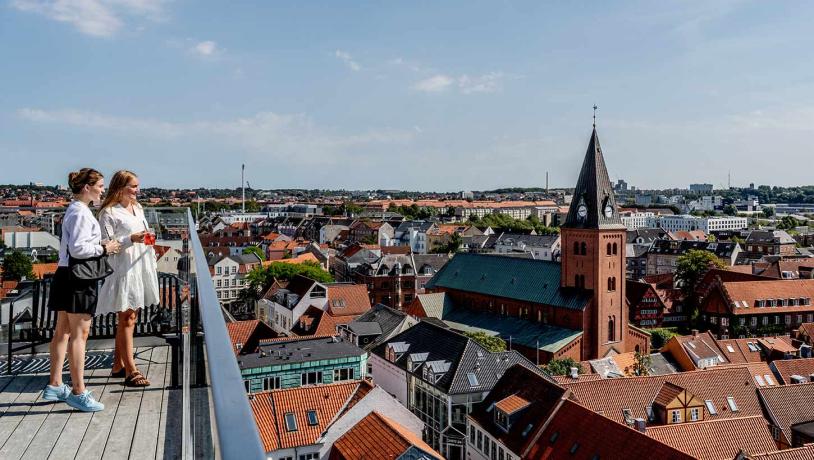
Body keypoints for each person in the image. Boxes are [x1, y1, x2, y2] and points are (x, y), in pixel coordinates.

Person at [43, 168, 121, 412]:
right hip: (79, 278)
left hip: (66, 274)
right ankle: (79, 391)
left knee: (62, 331)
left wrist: (96, 245)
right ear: (86, 187)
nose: (102, 190)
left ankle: (55, 384)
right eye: (99, 185)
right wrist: (104, 248)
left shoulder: (74, 210)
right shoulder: (81, 213)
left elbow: (74, 247)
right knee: (79, 335)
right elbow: (78, 249)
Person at [97, 170, 159, 387]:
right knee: (127, 318)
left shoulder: (137, 207)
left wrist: (149, 244)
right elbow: (107, 244)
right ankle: (130, 370)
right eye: (133, 186)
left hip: (140, 264)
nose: (137, 190)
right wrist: (131, 239)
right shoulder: (108, 212)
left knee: (129, 317)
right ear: (120, 187)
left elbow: (143, 233)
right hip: (124, 269)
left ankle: (117, 365)